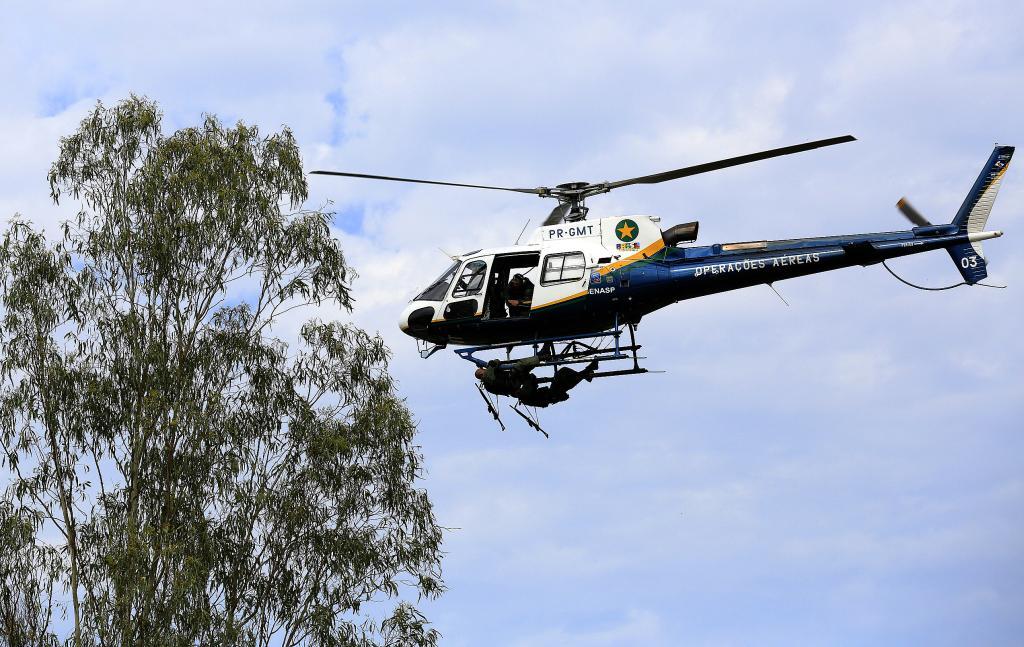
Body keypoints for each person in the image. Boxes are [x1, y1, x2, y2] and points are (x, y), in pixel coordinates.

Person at [516, 360, 599, 408]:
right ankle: (589, 370)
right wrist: (527, 378)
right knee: (565, 378)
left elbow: (532, 382)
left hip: (552, 393)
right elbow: (532, 380)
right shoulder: (525, 396)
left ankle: (587, 372)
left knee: (564, 373)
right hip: (552, 394)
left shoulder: (525, 396)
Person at [475, 355, 541, 397]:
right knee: (521, 364)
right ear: (481, 374)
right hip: (512, 379)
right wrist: (490, 364)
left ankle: (540, 356)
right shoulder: (487, 374)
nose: (484, 369)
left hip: (514, 386)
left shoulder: (487, 387)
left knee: (524, 369)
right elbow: (496, 361)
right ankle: (541, 357)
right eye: (482, 369)